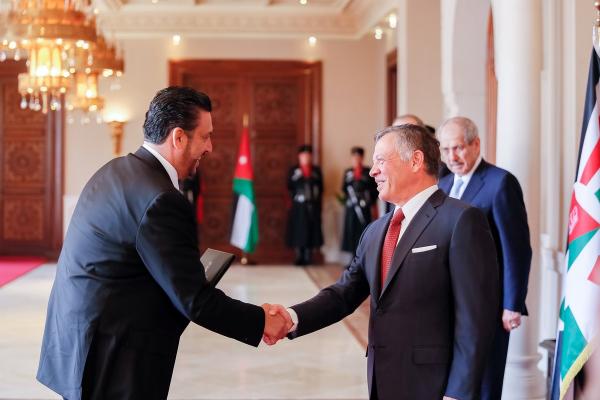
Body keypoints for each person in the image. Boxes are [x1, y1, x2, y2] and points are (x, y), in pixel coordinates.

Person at [36, 87, 290, 400]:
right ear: (178, 137)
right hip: (111, 358)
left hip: (79, 343)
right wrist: (261, 320)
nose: (210, 147)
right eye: (205, 137)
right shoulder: (161, 199)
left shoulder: (116, 169)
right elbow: (195, 300)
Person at [268, 124, 500, 400]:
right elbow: (344, 294)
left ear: (415, 160)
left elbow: (475, 318)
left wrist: (458, 393)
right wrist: (291, 318)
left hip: (434, 385)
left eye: (380, 161)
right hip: (382, 379)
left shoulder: (461, 220)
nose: (372, 171)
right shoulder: (375, 230)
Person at [437, 116, 532, 400]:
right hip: (449, 303)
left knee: (486, 383)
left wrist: (512, 304)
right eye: (446, 150)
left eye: (458, 148)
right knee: (454, 383)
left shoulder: (500, 183)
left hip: (488, 305)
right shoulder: (442, 185)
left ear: (476, 144)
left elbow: (516, 248)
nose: (452, 157)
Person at [286, 144, 323, 265]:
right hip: (299, 206)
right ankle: (299, 255)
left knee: (312, 229)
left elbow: (321, 187)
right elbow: (289, 186)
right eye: (303, 155)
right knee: (299, 230)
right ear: (299, 156)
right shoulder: (294, 170)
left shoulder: (316, 170)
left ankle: (308, 255)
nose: (306, 157)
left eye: (308, 155)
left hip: (312, 205)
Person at [340, 146, 378, 255]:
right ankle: (352, 257)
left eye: (358, 157)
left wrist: (369, 201)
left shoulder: (368, 172)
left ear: (362, 158)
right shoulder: (348, 172)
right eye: (354, 157)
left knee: (363, 230)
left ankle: (363, 255)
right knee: (351, 230)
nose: (356, 159)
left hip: (364, 207)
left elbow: (374, 190)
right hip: (352, 207)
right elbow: (344, 188)